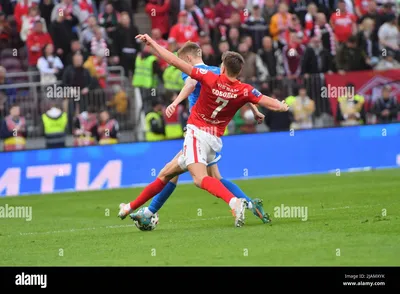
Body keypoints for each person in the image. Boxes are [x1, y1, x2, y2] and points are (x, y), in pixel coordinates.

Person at [118, 35, 288, 227]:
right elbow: (262, 99)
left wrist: (153, 44)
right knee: (170, 172)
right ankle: (134, 209)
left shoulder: (208, 76)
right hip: (214, 139)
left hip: (197, 133)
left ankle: (236, 202)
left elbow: (176, 65)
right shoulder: (241, 87)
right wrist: (279, 107)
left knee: (200, 179)